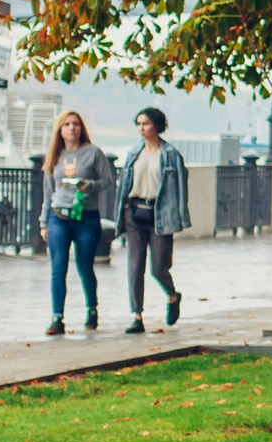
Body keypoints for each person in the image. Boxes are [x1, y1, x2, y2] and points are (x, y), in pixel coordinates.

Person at [39, 111, 115, 335]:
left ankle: (92, 309)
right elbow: (48, 191)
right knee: (58, 268)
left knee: (85, 266)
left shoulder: (93, 153)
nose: (72, 128)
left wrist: (88, 185)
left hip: (86, 216)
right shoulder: (55, 156)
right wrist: (44, 223)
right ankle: (57, 317)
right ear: (60, 130)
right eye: (67, 124)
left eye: (76, 124)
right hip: (59, 217)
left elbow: (107, 181)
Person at [115, 107, 190, 334]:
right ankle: (137, 316)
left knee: (159, 267)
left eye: (146, 123)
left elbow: (180, 187)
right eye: (138, 124)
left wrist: (179, 216)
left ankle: (173, 295)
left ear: (157, 125)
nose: (141, 128)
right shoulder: (133, 153)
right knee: (135, 266)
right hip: (134, 213)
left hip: (159, 215)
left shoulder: (170, 155)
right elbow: (123, 186)